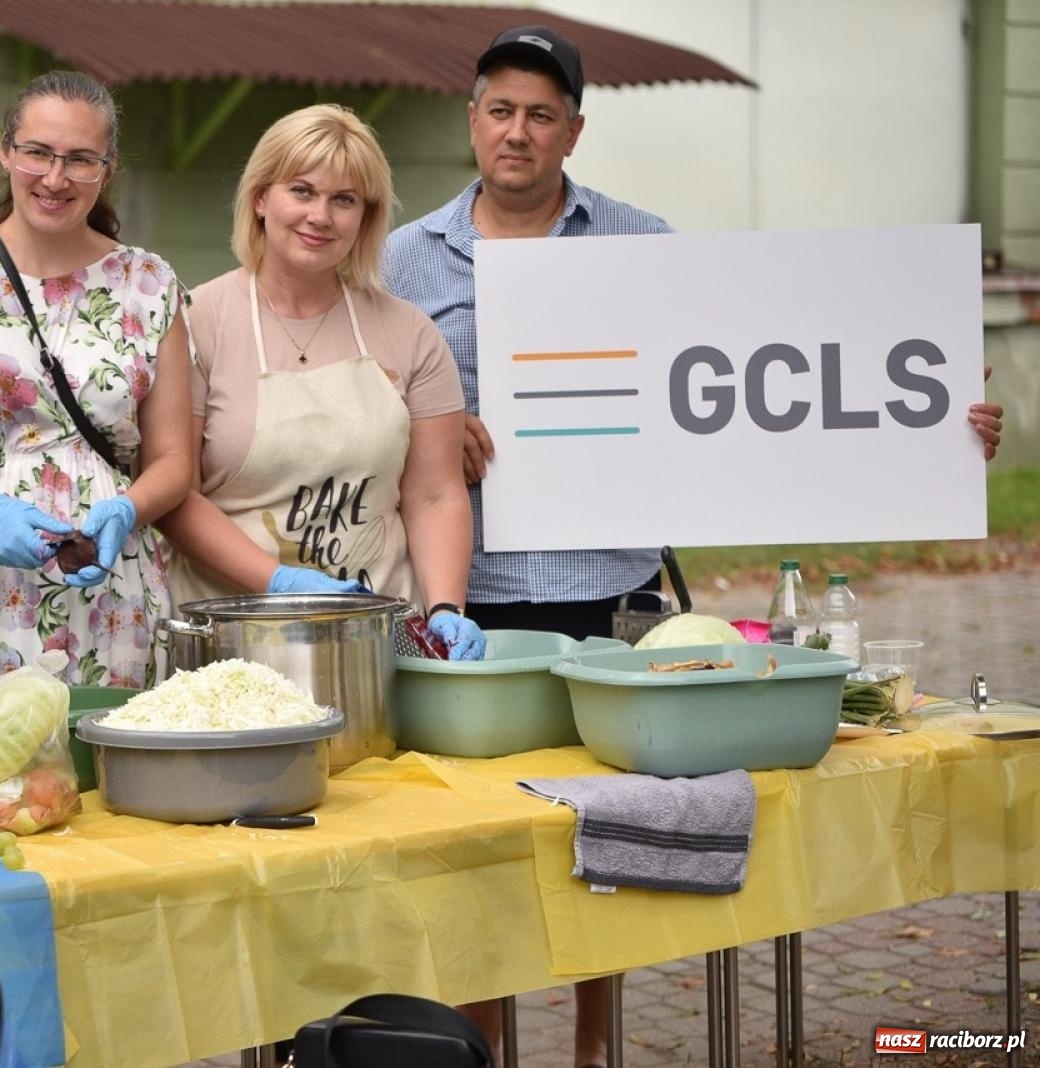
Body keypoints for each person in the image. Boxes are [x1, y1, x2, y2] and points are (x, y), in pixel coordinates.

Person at [384, 24, 1006, 1066]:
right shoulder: (405, 256)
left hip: (607, 588)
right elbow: (375, 398)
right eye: (501, 110)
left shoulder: (643, 242)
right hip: (466, 593)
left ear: (573, 130)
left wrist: (932, 423)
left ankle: (594, 1044)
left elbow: (748, 382)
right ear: (472, 118)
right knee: (478, 846)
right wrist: (436, 425)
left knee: (605, 829)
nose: (519, 133)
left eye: (542, 115)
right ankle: (478, 1048)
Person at [0, 70, 192, 711]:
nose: (55, 178)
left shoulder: (149, 283)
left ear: (107, 169)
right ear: (6, 152)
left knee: (112, 791)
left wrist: (128, 509)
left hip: (112, 592)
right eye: (39, 153)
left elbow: (174, 460)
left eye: (80, 159)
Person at [158, 104, 484, 660]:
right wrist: (280, 583)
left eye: (344, 200)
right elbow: (174, 496)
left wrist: (447, 609)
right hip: (232, 638)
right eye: (302, 191)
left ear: (365, 216)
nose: (321, 216)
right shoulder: (195, 322)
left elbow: (434, 494)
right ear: (261, 199)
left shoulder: (409, 332)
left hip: (377, 642)